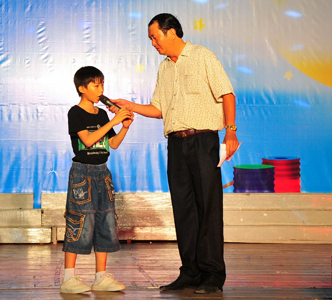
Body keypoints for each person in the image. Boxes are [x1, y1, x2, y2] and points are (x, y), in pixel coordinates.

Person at [110, 13, 239, 294]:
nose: (153, 43)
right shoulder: (164, 68)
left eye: (155, 37)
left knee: (208, 207)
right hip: (176, 144)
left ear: (171, 32)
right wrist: (129, 106)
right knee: (184, 209)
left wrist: (230, 131)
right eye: (150, 39)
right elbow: (159, 109)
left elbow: (227, 93)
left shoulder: (202, 56)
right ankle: (190, 272)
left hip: (204, 140)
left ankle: (213, 275)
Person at [60, 66, 134, 294]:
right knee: (79, 222)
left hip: (103, 173)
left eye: (102, 84)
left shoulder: (101, 114)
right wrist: (112, 122)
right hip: (83, 173)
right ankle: (68, 278)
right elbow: (89, 140)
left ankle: (100, 276)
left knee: (105, 221)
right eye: (95, 85)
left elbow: (112, 144)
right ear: (82, 88)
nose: (101, 89)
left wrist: (124, 127)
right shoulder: (75, 112)